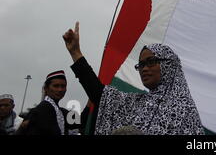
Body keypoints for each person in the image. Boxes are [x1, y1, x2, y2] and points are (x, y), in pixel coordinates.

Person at [63, 21, 205, 135]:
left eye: (151, 62)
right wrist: (76, 53)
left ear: (169, 65)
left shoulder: (185, 111)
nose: (144, 68)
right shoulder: (137, 104)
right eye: (141, 64)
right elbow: (100, 95)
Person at [23, 70, 80, 135]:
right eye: (56, 86)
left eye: (63, 86)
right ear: (46, 88)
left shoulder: (62, 112)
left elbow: (81, 122)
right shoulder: (41, 109)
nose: (60, 89)